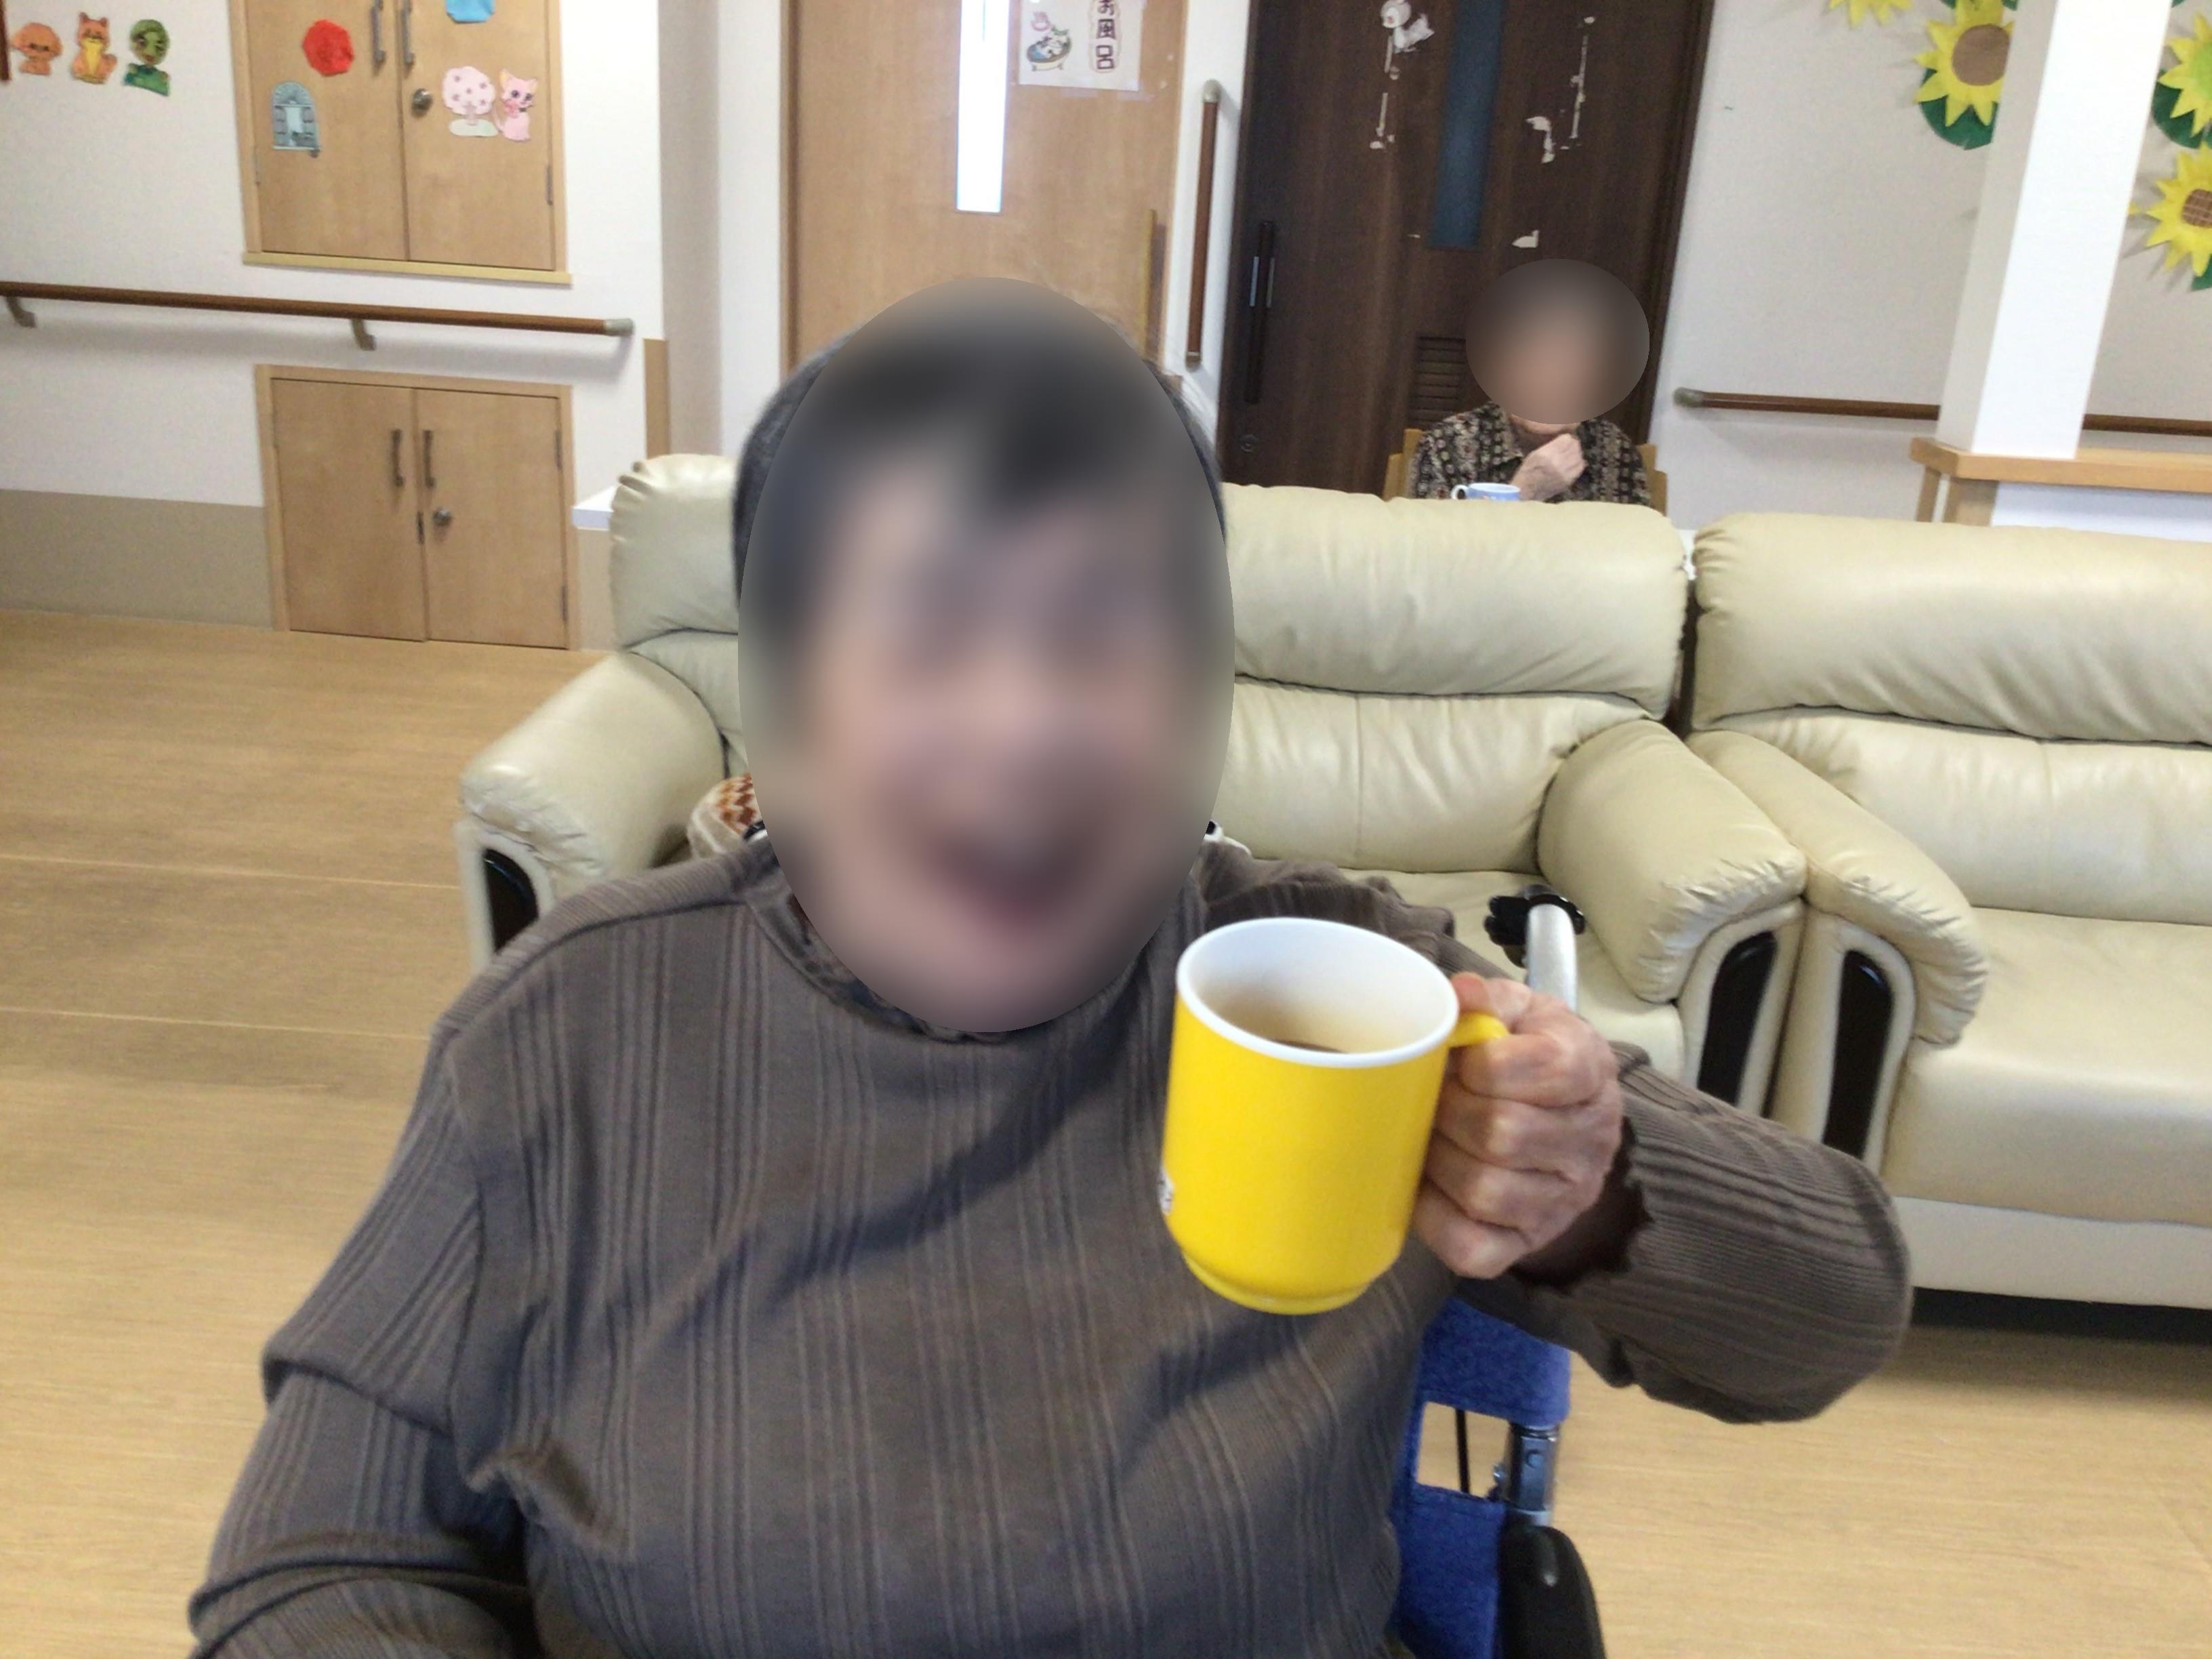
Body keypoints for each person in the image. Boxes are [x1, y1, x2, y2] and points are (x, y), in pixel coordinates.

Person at [190, 283, 1909, 1659]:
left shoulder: (1345, 995)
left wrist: (1588, 1181)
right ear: (783, 718)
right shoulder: (570, 1032)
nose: (1023, 723)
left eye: (1102, 633)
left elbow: (1830, 1315)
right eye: (927, 634)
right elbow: (321, 1561)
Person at [1410, 260, 1655, 506]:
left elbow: (1637, 531)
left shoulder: (1616, 451)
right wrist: (1525, 490)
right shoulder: (1447, 445)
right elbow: (1429, 533)